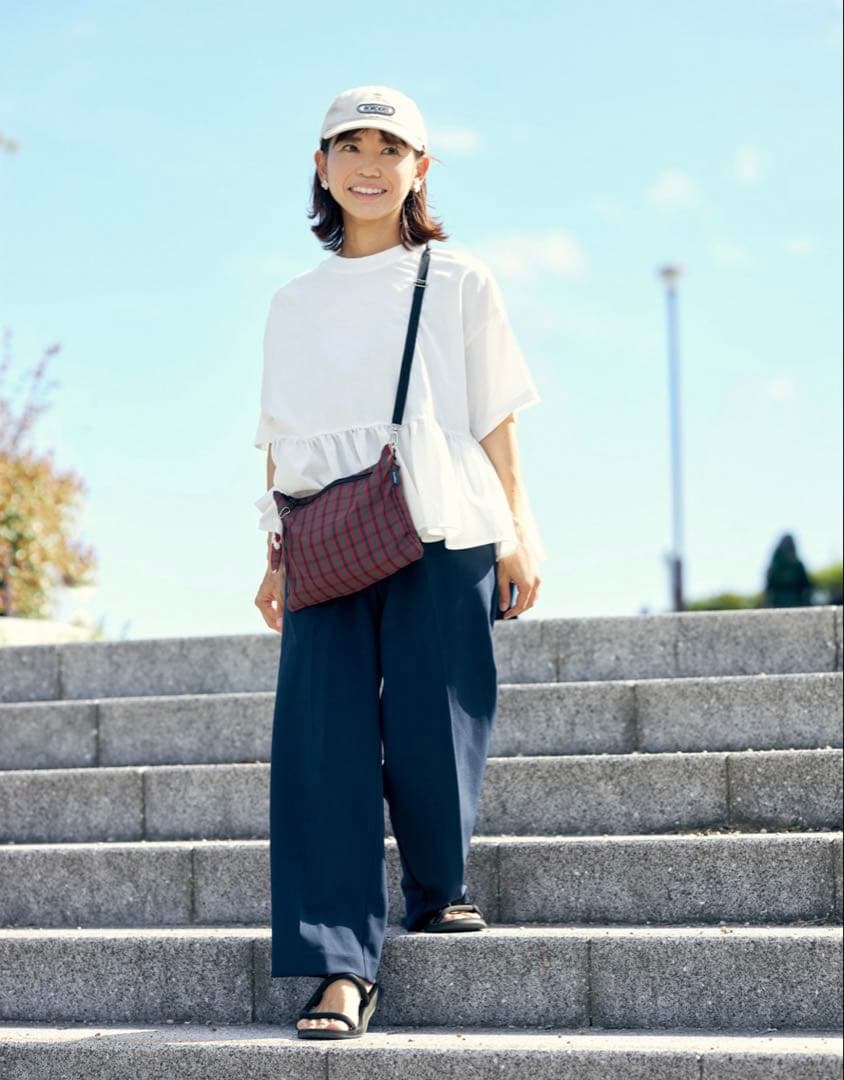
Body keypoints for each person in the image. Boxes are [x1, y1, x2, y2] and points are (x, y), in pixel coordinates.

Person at [252, 84, 547, 1040]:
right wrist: (274, 552)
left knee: (436, 712)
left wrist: (518, 527)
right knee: (322, 742)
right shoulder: (291, 302)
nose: (369, 165)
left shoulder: (459, 278)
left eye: (390, 148)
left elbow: (494, 413)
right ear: (320, 165)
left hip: (447, 520)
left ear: (421, 168)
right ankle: (339, 966)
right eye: (350, 146)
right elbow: (279, 437)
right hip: (325, 532)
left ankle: (437, 885)